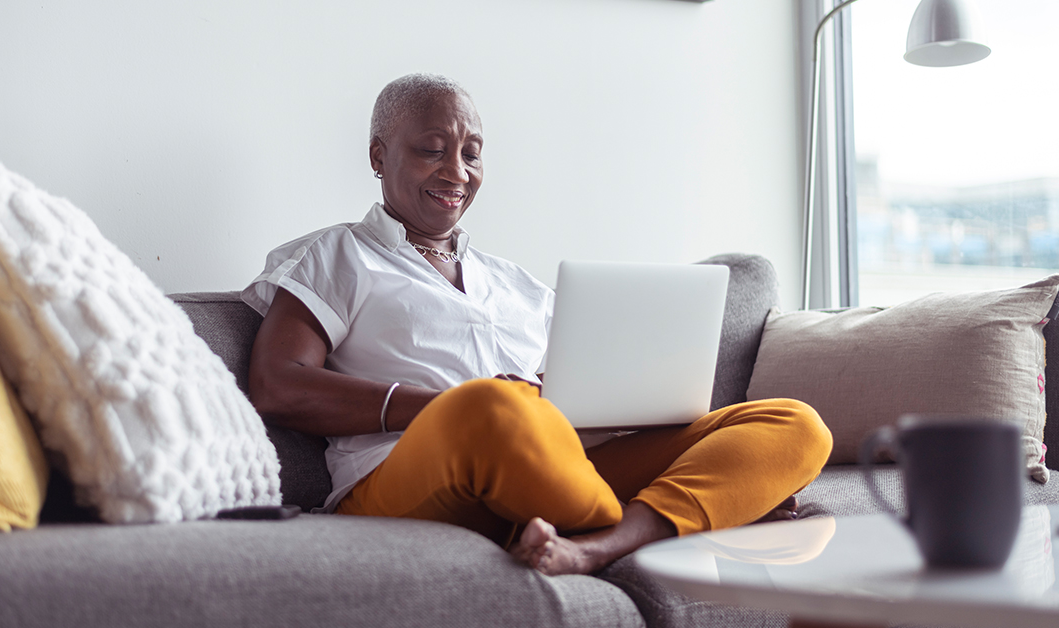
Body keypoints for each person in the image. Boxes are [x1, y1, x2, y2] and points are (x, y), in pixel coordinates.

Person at [242, 73, 832, 576]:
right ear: (379, 156)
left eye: (471, 154)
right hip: (408, 477)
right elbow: (279, 384)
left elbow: (572, 395)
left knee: (795, 422)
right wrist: (443, 406)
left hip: (556, 465)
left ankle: (601, 542)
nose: (456, 171)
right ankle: (698, 513)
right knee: (492, 410)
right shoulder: (336, 255)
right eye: (432, 149)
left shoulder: (518, 284)